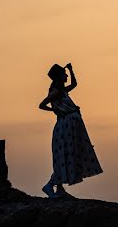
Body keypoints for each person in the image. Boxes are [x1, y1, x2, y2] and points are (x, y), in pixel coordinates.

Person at [38, 62, 103, 197]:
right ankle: (51, 185)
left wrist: (72, 70)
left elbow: (74, 84)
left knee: (68, 154)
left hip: (70, 125)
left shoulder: (62, 91)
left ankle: (59, 188)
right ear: (59, 76)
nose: (66, 75)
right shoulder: (56, 91)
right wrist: (55, 110)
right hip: (66, 126)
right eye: (64, 73)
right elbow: (42, 104)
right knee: (66, 154)